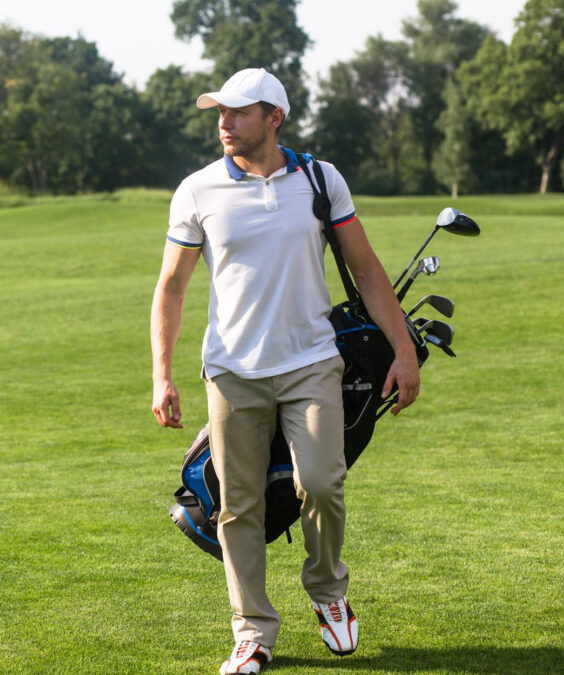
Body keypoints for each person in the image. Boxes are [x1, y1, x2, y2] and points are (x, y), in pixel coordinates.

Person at [149, 68, 420, 674]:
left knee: (322, 481)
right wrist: (161, 374)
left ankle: (329, 594)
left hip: (312, 363)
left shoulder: (321, 181)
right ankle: (252, 633)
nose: (224, 122)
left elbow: (369, 271)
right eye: (219, 112)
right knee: (238, 505)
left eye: (238, 112)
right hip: (231, 372)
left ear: (274, 117)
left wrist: (403, 350)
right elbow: (171, 287)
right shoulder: (197, 190)